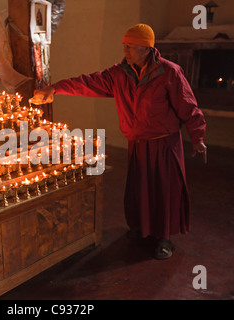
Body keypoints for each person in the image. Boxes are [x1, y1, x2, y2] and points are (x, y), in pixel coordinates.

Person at [31, 23, 207, 260]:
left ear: (146, 48)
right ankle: (143, 230)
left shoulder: (169, 72)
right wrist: (56, 89)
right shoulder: (119, 73)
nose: (125, 51)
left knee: (163, 192)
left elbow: (188, 106)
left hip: (164, 143)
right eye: (124, 46)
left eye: (130, 47)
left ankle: (164, 238)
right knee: (140, 190)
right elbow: (89, 82)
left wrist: (197, 137)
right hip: (137, 142)